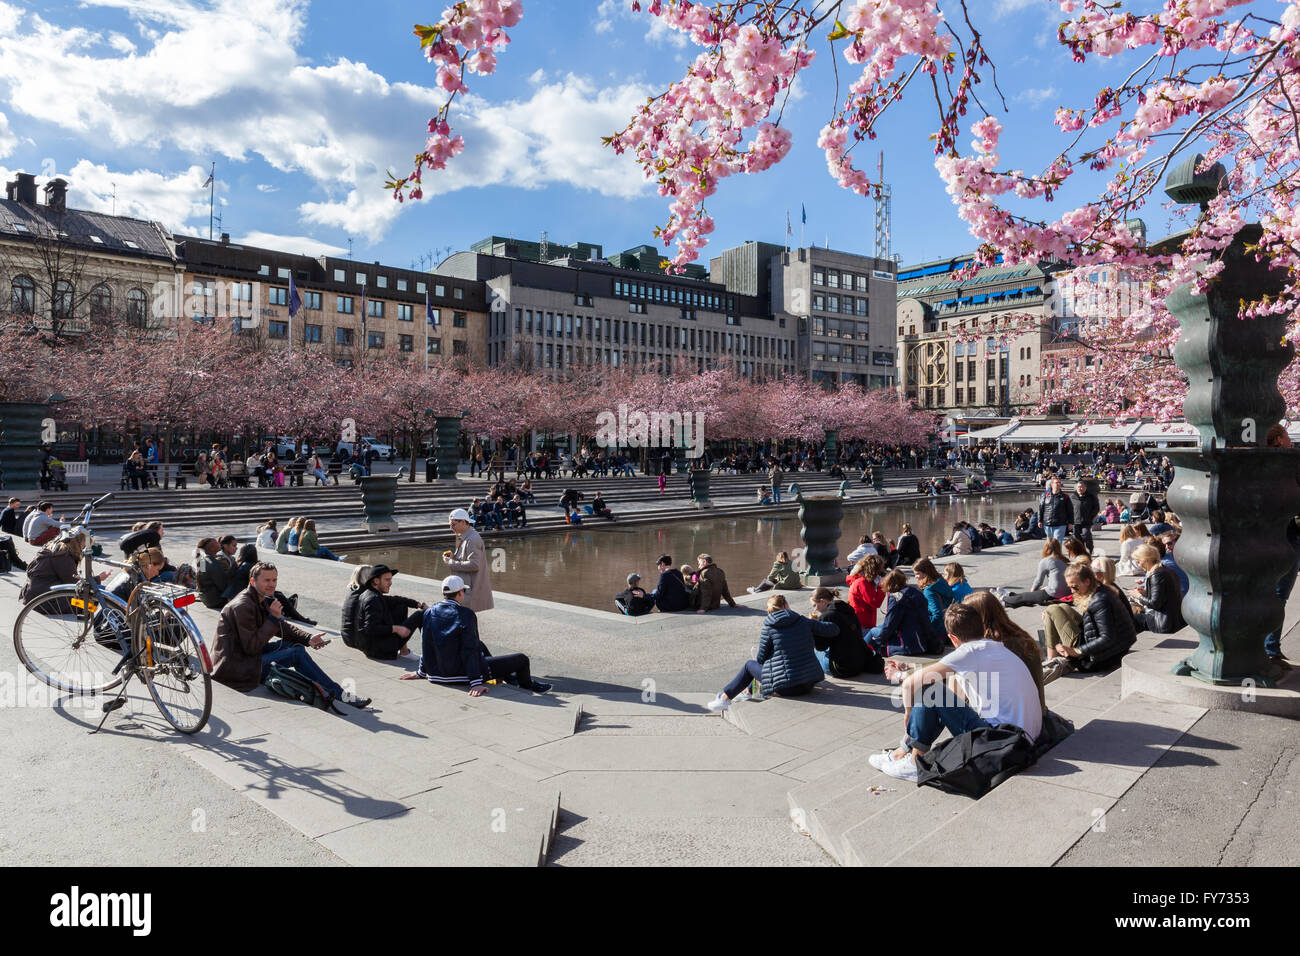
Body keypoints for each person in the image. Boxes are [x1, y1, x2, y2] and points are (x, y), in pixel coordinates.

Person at [869, 603, 1042, 782]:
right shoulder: (997, 648)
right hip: (1024, 739)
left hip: (1001, 742)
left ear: (952, 638)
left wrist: (908, 714)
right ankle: (904, 751)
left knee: (931, 691)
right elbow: (951, 691)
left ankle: (914, 762)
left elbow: (910, 684)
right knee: (941, 690)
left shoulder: (969, 652)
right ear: (982, 628)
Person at [212, 562, 368, 708]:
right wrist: (273, 618)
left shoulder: (258, 598)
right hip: (235, 669)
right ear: (253, 581)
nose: (272, 584)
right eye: (267, 580)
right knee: (296, 653)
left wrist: (308, 638)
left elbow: (281, 627)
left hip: (244, 657)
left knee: (294, 646)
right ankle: (338, 693)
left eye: (274, 580)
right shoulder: (243, 606)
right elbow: (252, 647)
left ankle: (325, 689)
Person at [399, 575, 550, 694]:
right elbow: (469, 648)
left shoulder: (429, 612)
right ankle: (527, 685)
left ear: (443, 593)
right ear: (460, 593)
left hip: (435, 674)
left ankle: (508, 677)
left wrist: (421, 672)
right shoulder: (465, 614)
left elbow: (427, 643)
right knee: (521, 659)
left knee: (480, 644)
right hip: (459, 675)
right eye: (463, 591)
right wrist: (475, 682)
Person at [706, 594, 835, 712]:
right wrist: (819, 620)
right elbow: (833, 630)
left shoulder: (769, 627)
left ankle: (724, 699)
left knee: (749, 665)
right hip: (808, 683)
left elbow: (761, 658)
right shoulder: (803, 621)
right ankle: (747, 692)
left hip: (786, 688)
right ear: (785, 605)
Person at [1042, 562, 1138, 680]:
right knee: (1060, 607)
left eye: (1075, 587)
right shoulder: (1101, 590)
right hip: (1114, 649)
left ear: (1087, 581)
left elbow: (1107, 637)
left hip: (1100, 658)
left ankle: (1051, 662)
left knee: (1052, 609)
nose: (1072, 591)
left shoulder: (1100, 601)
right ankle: (1052, 658)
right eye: (1070, 587)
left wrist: (1076, 651)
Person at [963, 591, 1047, 716]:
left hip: (1012, 721)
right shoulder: (1019, 636)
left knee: (941, 700)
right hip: (1037, 714)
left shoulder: (993, 647)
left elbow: (979, 699)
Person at [354, 564, 427, 659]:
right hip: (379, 650)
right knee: (420, 615)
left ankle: (404, 652)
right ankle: (429, 655)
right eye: (387, 580)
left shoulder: (370, 594)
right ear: (376, 581)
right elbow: (370, 628)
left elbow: (396, 599)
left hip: (374, 646)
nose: (391, 583)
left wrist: (420, 605)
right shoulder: (373, 599)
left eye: (391, 579)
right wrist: (396, 629)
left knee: (401, 605)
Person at [21, 530, 106, 604]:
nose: (83, 550)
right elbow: (74, 583)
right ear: (80, 542)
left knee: (100, 593)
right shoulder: (64, 556)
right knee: (99, 598)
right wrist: (98, 579)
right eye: (84, 547)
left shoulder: (53, 548)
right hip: (45, 600)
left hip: (32, 594)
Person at [809, 586, 877, 677]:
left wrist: (814, 625)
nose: (815, 609)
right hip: (860, 662)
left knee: (814, 650)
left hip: (841, 668)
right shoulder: (847, 608)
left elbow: (821, 646)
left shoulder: (826, 616)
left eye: (815, 605)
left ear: (822, 601)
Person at [863, 569, 931, 658]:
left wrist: (879, 639)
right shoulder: (915, 591)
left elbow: (890, 625)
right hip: (921, 637)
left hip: (907, 644)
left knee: (873, 631)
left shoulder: (897, 598)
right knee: (879, 627)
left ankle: (860, 654)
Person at [443, 508, 494, 612]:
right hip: (465, 587)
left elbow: (474, 565)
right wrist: (453, 556)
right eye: (450, 524)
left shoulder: (472, 539)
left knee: (465, 622)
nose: (451, 527)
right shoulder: (466, 536)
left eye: (453, 524)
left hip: (469, 589)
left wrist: (451, 562)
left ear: (462, 522)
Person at [1128, 544, 1185, 634]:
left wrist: (1138, 596)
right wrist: (1146, 593)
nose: (1139, 565)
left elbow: (1155, 603)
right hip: (1174, 619)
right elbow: (1163, 596)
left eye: (1138, 562)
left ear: (1145, 560)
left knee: (1129, 619)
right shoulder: (1165, 569)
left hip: (1163, 621)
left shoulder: (1157, 574)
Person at [1002, 538, 1072, 608]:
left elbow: (1039, 581)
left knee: (1024, 596)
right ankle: (1010, 595)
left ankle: (1003, 600)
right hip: (1067, 592)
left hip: (1053, 594)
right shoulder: (1065, 560)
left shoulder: (1046, 561)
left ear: (1046, 547)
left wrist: (1033, 592)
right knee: (1028, 596)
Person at [913, 558, 953, 650]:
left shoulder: (929, 590)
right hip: (949, 628)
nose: (916, 576)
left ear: (926, 572)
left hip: (939, 633)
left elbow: (937, 614)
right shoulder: (941, 581)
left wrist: (927, 629)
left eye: (917, 573)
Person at [847, 553, 887, 632]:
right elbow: (875, 602)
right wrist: (881, 586)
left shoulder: (861, 580)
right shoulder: (862, 582)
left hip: (862, 621)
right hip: (863, 623)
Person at [195, 537, 237, 610]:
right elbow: (222, 584)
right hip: (215, 600)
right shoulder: (212, 562)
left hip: (206, 598)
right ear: (211, 548)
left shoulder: (202, 560)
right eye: (216, 543)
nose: (219, 543)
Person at [1039, 476, 1074, 541]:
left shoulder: (1065, 496)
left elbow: (1070, 510)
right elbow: (1041, 508)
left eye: (1059, 483)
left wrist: (1071, 522)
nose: (1058, 484)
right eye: (1056, 482)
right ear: (1052, 484)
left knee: (1057, 542)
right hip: (1048, 523)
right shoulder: (1045, 495)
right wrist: (1040, 520)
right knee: (1050, 544)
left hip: (1060, 524)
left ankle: (1057, 551)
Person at [1073, 480, 1100, 551]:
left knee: (1086, 534)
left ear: (1085, 488)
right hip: (1075, 521)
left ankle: (1090, 548)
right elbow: (1068, 509)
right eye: (1078, 487)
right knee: (1077, 538)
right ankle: (1081, 551)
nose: (1080, 488)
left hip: (1087, 521)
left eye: (1082, 487)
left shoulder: (1091, 497)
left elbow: (1096, 508)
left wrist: (1091, 516)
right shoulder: (1072, 497)